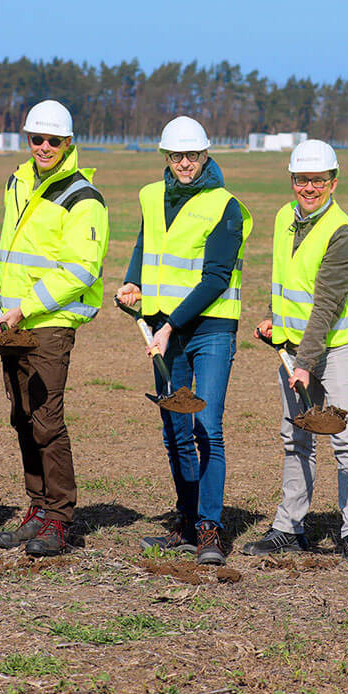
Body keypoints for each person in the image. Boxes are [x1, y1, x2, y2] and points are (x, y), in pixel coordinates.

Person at [117, 116, 253, 566]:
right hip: (163, 326)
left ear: (206, 155)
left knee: (206, 427)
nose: (184, 164)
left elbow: (216, 278)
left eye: (192, 155)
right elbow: (144, 245)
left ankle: (210, 528)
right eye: (176, 156)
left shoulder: (225, 206)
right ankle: (188, 518)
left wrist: (171, 324)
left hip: (210, 329)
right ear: (166, 157)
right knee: (175, 430)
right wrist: (132, 282)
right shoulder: (150, 196)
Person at [0, 100, 109, 557]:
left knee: (46, 420)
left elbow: (81, 269)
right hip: (13, 322)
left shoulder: (82, 197)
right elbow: (13, 242)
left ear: (69, 143)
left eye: (54, 140)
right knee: (21, 417)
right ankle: (36, 508)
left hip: (49, 324)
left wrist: (27, 307)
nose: (44, 147)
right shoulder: (19, 182)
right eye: (37, 138)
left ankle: (59, 517)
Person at [245, 140, 348, 564]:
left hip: (339, 348)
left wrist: (304, 364)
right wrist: (272, 317)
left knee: (346, 439)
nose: (310, 187)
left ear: (333, 182)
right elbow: (285, 280)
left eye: (319, 180)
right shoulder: (285, 217)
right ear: (292, 180)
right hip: (294, 346)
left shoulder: (344, 235)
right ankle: (289, 526)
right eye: (303, 179)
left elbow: (326, 306)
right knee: (295, 436)